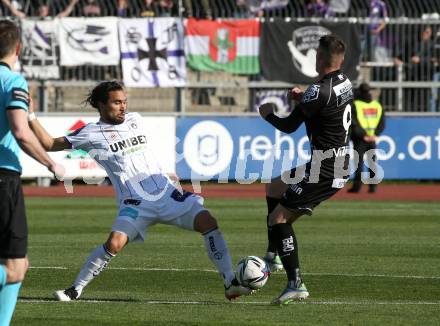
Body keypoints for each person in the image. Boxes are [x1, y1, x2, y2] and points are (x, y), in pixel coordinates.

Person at [27, 80, 252, 302]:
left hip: (166, 193)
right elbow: (48, 144)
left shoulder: (135, 120)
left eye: (124, 101)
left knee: (208, 222)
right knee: (114, 243)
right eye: (116, 102)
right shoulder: (90, 133)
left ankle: (230, 282)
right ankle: (75, 289)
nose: (123, 106)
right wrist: (30, 116)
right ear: (101, 105)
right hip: (135, 203)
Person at [259, 34, 353, 305]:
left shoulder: (316, 91)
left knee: (278, 219)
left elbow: (289, 126)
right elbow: (322, 105)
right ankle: (274, 253)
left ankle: (295, 283)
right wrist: (304, 99)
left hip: (324, 168)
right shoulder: (345, 82)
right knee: (275, 186)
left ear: (319, 58)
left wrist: (267, 114)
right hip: (336, 161)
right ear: (341, 60)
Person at [0, 19, 62, 325]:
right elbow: (21, 132)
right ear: (19, 47)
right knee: (15, 266)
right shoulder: (13, 81)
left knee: (18, 265)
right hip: (3, 179)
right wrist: (51, 164)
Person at [348, 83, 385, 193]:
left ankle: (357, 186)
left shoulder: (355, 105)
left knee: (358, 162)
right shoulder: (377, 105)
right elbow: (382, 123)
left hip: (360, 139)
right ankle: (372, 187)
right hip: (372, 138)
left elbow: (354, 123)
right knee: (372, 162)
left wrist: (363, 135)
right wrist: (375, 135)